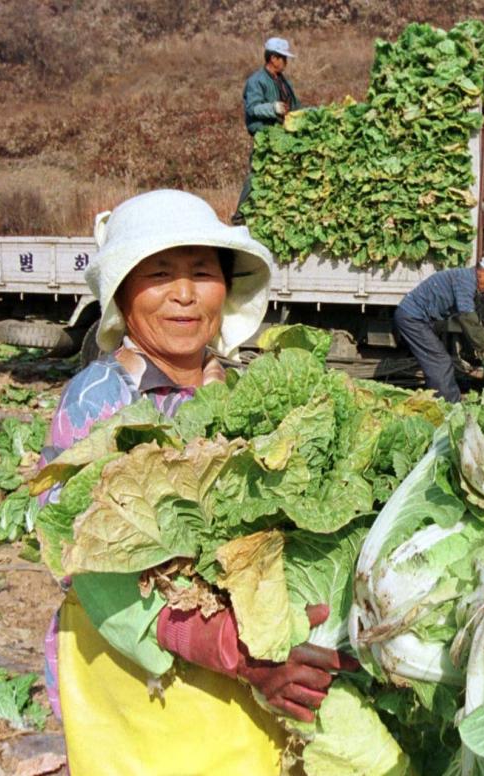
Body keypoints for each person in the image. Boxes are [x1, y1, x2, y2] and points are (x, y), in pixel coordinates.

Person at [39, 190, 354, 775]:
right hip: (137, 674)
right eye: (159, 274)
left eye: (202, 273)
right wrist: (229, 647)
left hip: (243, 673)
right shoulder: (99, 397)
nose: (184, 294)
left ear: (226, 289)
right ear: (123, 292)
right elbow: (81, 555)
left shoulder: (239, 388)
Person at [394, 255, 484, 402]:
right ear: (483, 272)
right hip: (412, 318)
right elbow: (466, 317)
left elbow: (467, 316)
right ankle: (449, 406)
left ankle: (440, 400)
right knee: (440, 362)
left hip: (417, 318)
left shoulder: (467, 280)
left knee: (438, 359)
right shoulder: (466, 281)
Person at [234, 37, 301, 225]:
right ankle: (240, 215)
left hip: (282, 134)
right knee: (257, 172)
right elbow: (252, 108)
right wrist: (273, 108)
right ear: (273, 58)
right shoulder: (256, 81)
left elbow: (294, 105)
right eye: (283, 58)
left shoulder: (282, 81)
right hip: (265, 133)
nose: (285, 62)